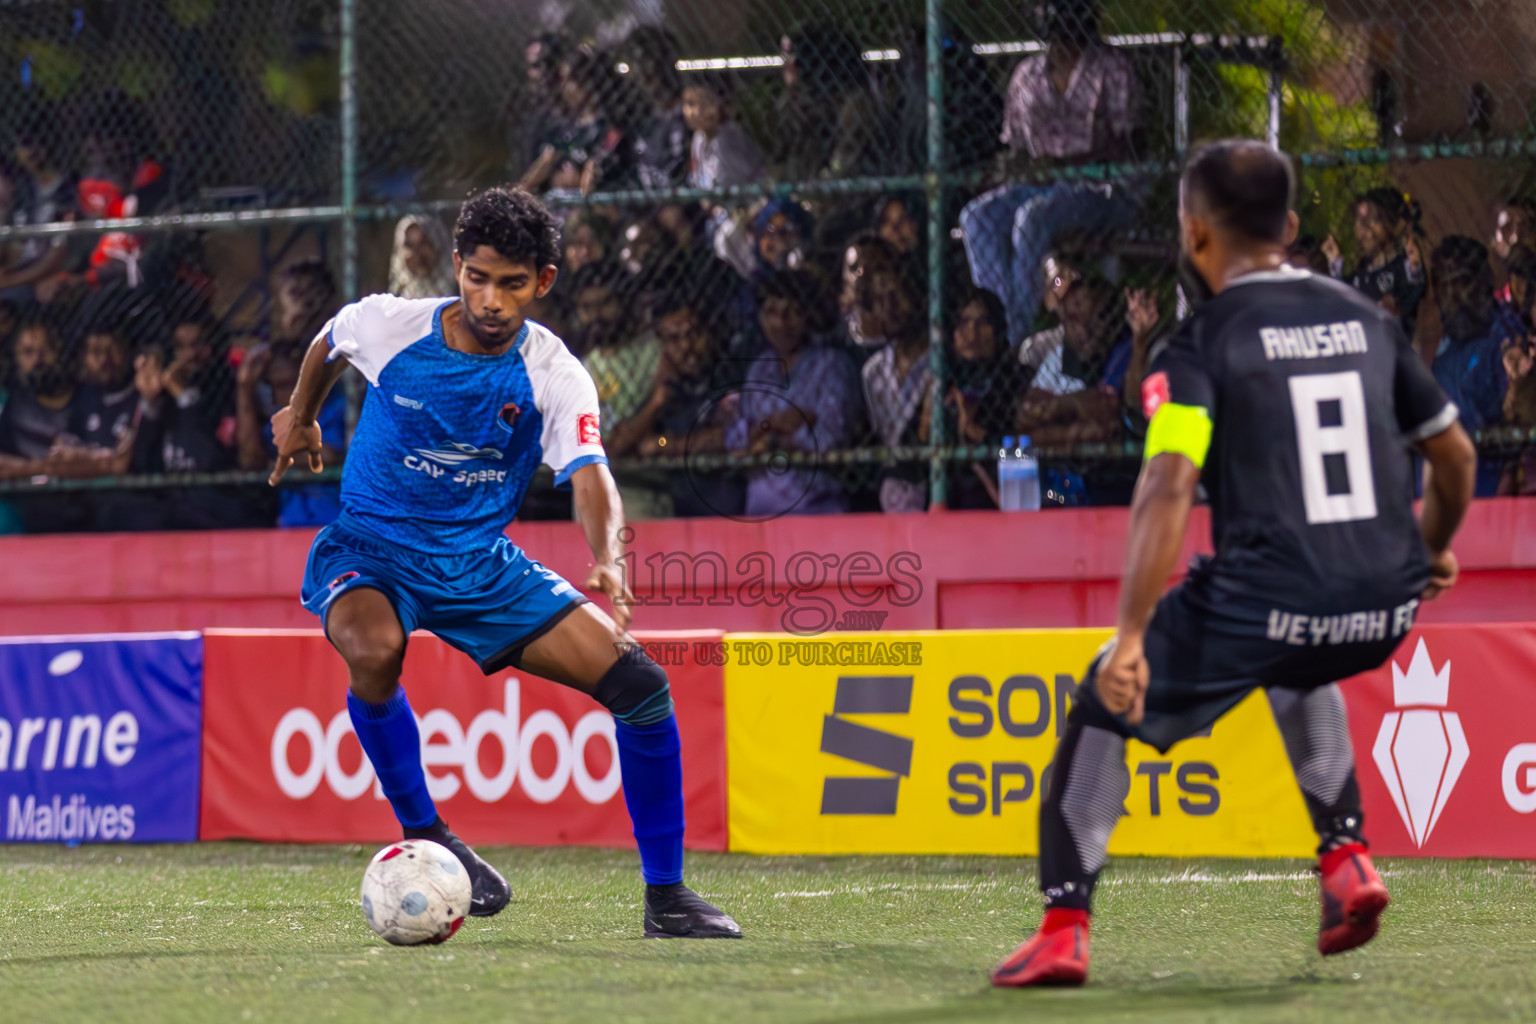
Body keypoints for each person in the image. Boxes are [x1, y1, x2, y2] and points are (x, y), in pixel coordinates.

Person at [990, 140, 1476, 988]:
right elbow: (1457, 457)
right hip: (1388, 603)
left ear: (1193, 234)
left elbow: (1169, 485)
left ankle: (1064, 926)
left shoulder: (1199, 342)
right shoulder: (1369, 319)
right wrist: (1431, 551)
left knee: (1102, 694)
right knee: (1296, 658)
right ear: (1289, 228)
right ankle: (1346, 860)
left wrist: (1133, 636)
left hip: (1271, 595)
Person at [263, 185, 739, 939]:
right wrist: (303, 412)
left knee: (642, 686)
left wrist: (608, 557)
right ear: (456, 266)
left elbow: (591, 475)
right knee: (374, 646)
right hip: (373, 547)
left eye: (512, 284)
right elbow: (331, 338)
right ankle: (430, 832)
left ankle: (669, 899)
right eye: (477, 277)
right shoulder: (393, 324)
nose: (490, 299)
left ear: (543, 281)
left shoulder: (554, 371)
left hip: (481, 565)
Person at [960, 0, 1140, 344]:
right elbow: (1015, 146)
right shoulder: (1027, 75)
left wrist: (1066, 164)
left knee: (1031, 219)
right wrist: (1018, 165)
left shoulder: (1113, 68)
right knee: (977, 217)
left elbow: (1131, 145)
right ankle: (997, 328)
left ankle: (1015, 339)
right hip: (1039, 186)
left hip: (1101, 188)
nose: (1063, 35)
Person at [724, 270, 857, 518]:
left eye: (792, 312)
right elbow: (736, 440)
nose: (781, 323)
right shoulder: (758, 369)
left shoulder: (831, 365)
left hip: (817, 507)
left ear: (807, 316)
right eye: (772, 312)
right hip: (760, 511)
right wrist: (774, 425)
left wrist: (770, 442)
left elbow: (831, 438)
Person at [604, 291, 744, 518]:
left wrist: (665, 444)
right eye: (674, 339)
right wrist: (656, 404)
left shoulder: (727, 377)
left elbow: (729, 435)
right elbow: (617, 448)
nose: (686, 346)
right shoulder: (667, 388)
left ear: (710, 333)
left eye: (694, 334)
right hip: (677, 516)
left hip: (725, 512)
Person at [1428, 236, 1515, 496]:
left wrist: (1504, 495)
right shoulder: (1451, 340)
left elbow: (1516, 431)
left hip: (1486, 501)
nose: (1451, 295)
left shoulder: (1505, 343)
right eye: (1443, 285)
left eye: (1461, 283)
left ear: (1481, 284)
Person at [931, 288, 1026, 509]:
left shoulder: (1017, 379)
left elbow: (1022, 447)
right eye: (963, 322)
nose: (972, 334)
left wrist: (973, 430)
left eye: (983, 323)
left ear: (999, 331)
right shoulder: (943, 381)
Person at [237, 339, 346, 527]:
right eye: (280, 386)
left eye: (295, 383)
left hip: (335, 524)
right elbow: (251, 460)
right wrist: (244, 388)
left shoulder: (338, 411)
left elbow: (328, 455)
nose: (291, 394)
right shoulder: (277, 423)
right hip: (291, 526)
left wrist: (278, 460)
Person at [857, 264, 930, 512]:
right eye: (879, 300)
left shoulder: (940, 361)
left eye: (896, 295)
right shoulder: (873, 371)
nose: (890, 307)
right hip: (890, 485)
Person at [1323, 187, 1425, 336]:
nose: (1362, 229)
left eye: (1374, 220)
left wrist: (1414, 269)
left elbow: (1413, 291)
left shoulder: (1402, 265)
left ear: (1392, 223)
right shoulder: (1365, 266)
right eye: (1358, 220)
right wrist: (1335, 265)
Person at [388, 216, 456, 300]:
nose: (416, 253)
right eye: (409, 245)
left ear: (438, 245)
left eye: (424, 242)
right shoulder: (396, 300)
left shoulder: (459, 293)